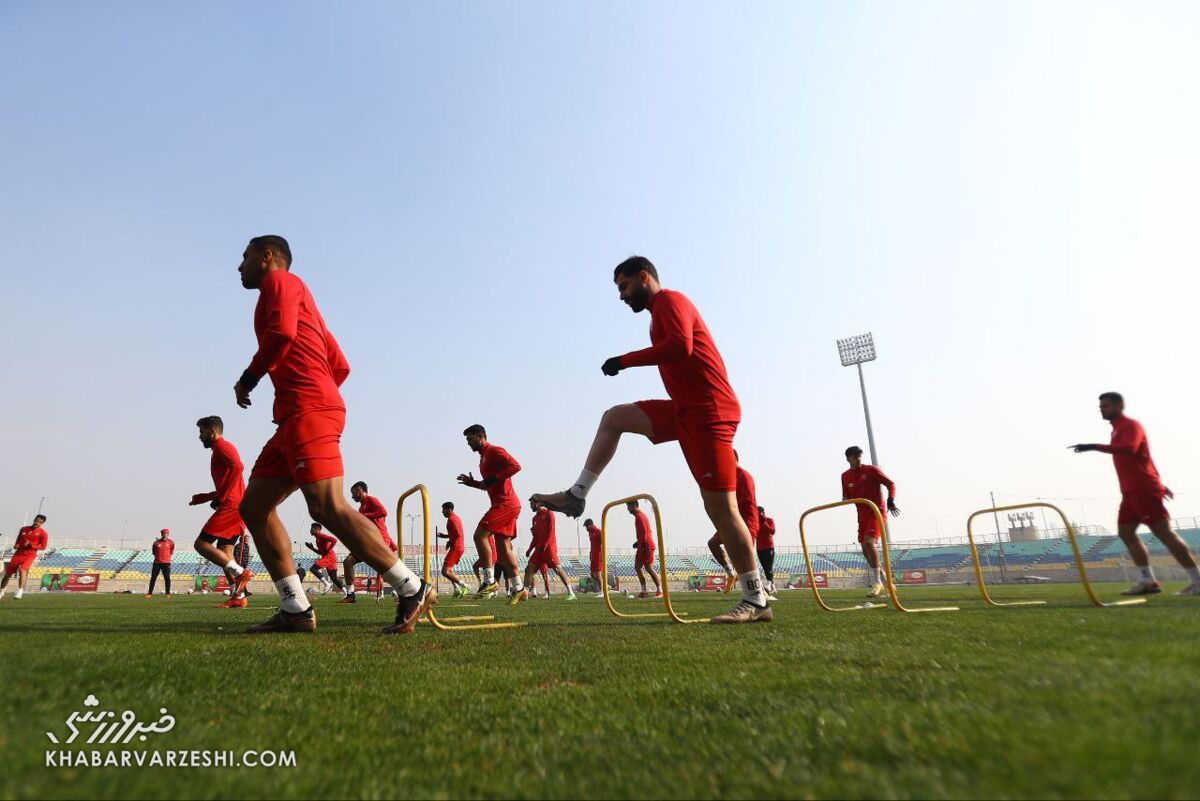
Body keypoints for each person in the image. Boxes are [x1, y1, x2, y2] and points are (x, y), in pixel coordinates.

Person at [530, 257, 768, 623]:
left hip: (709, 411)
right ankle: (577, 495)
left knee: (719, 508)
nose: (622, 296)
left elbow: (681, 347)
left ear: (644, 277)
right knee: (614, 418)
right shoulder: (657, 314)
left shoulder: (671, 301)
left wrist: (624, 361)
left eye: (624, 287)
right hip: (684, 411)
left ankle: (756, 600)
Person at [231, 235, 432, 634]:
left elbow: (283, 333)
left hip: (308, 410)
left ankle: (412, 588)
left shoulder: (282, 283)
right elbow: (340, 365)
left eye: (245, 257)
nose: (239, 266)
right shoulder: (304, 302)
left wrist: (250, 379)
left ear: (267, 257)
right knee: (254, 507)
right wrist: (314, 391)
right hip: (294, 415)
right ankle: (295, 608)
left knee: (326, 506)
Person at [1071, 392, 1200, 596]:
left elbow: (1131, 449)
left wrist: (1094, 446)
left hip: (1143, 489)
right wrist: (1160, 483)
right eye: (1101, 406)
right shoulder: (1115, 430)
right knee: (1126, 533)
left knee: (1163, 533)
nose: (1102, 409)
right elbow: (1145, 458)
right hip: (1130, 492)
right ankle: (1147, 581)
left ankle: (1197, 580)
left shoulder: (1131, 425)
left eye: (1106, 405)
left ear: (1120, 405)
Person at [456, 424, 526, 603]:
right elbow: (487, 485)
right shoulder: (482, 459)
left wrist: (493, 478)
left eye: (470, 439)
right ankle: (519, 588)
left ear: (480, 436)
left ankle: (489, 581)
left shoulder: (494, 451)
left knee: (480, 536)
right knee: (503, 550)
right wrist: (472, 483)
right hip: (505, 504)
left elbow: (516, 466)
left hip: (506, 504)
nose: (468, 443)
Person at [189, 416, 253, 609]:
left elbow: (238, 467)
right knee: (225, 550)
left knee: (201, 544)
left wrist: (222, 497)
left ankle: (240, 573)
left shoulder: (223, 447)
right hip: (236, 504)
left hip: (231, 506)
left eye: (202, 432)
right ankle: (238, 596)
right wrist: (207, 497)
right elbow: (229, 480)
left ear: (213, 430)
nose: (200, 436)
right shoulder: (218, 449)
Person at [841, 446, 899, 598]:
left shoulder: (872, 470)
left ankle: (877, 582)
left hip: (876, 512)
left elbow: (890, 484)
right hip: (861, 515)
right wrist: (845, 500)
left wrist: (891, 499)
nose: (859, 459)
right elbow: (846, 496)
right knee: (865, 550)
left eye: (860, 456)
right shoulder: (845, 476)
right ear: (848, 459)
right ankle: (888, 583)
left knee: (869, 542)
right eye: (855, 457)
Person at [341, 481, 397, 603]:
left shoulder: (371, 500)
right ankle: (350, 595)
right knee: (348, 561)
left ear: (359, 489)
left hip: (379, 541)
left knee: (387, 570)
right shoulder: (361, 507)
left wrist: (365, 516)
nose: (352, 496)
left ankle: (408, 589)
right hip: (368, 541)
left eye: (353, 493)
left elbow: (383, 512)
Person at [523, 500, 577, 600]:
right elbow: (535, 537)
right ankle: (524, 594)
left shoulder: (549, 513)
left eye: (532, 503)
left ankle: (571, 593)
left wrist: (546, 544)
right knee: (529, 569)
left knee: (557, 569)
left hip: (549, 548)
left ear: (538, 503)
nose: (530, 505)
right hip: (539, 549)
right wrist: (530, 549)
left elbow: (551, 531)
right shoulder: (534, 518)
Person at [0, 515, 48, 600]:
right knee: (8, 574)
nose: (37, 523)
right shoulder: (23, 529)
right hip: (18, 554)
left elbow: (43, 547)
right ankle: (2, 591)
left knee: (22, 570)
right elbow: (18, 540)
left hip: (29, 555)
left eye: (40, 522)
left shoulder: (43, 533)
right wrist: (16, 545)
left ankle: (20, 591)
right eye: (36, 521)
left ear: (42, 523)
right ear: (34, 520)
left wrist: (31, 545)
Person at [627, 500, 661, 598]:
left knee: (649, 568)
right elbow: (646, 531)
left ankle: (659, 590)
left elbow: (645, 532)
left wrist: (643, 545)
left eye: (628, 506)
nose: (627, 509)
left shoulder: (639, 516)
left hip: (646, 546)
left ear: (634, 505)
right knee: (637, 567)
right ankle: (644, 591)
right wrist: (638, 543)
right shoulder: (641, 515)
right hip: (643, 545)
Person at [436, 502, 469, 598]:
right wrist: (445, 537)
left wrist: (449, 541)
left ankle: (465, 586)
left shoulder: (452, 520)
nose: (442, 512)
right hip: (458, 546)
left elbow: (457, 534)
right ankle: (456, 589)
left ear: (449, 509)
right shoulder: (455, 518)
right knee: (449, 570)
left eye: (443, 510)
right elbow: (455, 534)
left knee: (444, 571)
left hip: (456, 547)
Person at [304, 523, 345, 594]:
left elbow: (334, 540)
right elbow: (321, 552)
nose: (310, 531)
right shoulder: (317, 538)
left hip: (329, 556)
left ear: (316, 529)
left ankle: (327, 584)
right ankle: (347, 593)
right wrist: (312, 548)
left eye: (311, 529)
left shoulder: (320, 535)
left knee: (313, 569)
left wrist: (329, 549)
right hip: (329, 556)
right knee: (334, 578)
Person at [146, 528, 175, 597]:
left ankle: (167, 593)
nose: (165, 535)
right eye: (164, 533)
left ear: (168, 534)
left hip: (166, 563)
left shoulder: (171, 542)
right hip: (157, 563)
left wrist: (166, 558)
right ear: (161, 534)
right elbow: (154, 552)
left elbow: (171, 551)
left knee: (167, 578)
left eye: (167, 533)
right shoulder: (156, 543)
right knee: (153, 578)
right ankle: (150, 593)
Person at [757, 506, 778, 600]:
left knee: (768, 566)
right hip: (759, 548)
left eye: (758, 512)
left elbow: (772, 531)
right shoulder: (755, 521)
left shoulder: (769, 520)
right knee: (765, 567)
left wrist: (764, 521)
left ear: (762, 512)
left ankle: (769, 584)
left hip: (769, 547)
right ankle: (772, 586)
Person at [585, 518, 604, 595]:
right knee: (593, 575)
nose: (586, 529)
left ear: (590, 525)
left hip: (599, 556)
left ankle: (602, 591)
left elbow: (603, 543)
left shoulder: (599, 532)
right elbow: (592, 545)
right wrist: (590, 554)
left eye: (587, 527)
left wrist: (602, 556)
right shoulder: (590, 533)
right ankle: (603, 586)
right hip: (593, 556)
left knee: (598, 574)